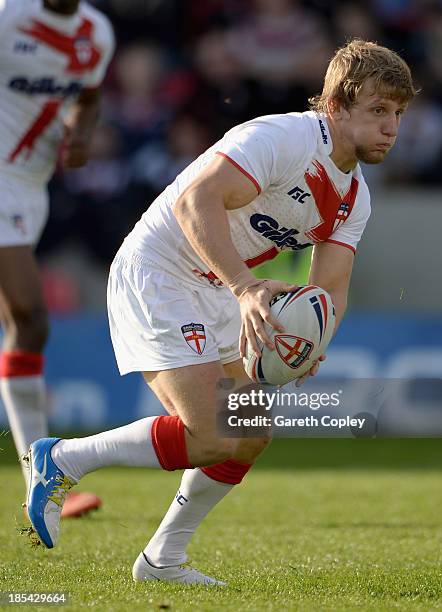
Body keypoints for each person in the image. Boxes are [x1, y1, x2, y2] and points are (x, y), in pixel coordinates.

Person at [25, 39, 416, 583]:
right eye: (378, 110)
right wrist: (245, 287)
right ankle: (62, 459)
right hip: (160, 270)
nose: (391, 127)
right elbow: (194, 201)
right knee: (208, 435)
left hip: (217, 287)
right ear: (336, 105)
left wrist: (311, 345)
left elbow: (331, 289)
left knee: (251, 430)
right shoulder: (284, 137)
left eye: (398, 113)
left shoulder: (355, 199)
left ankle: (162, 559)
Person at [0, 0, 114, 516]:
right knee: (30, 315)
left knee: (24, 323)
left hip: (31, 187)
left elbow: (86, 100)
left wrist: (81, 134)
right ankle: (40, 479)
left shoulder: (96, 32)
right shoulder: (9, 17)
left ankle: (37, 478)